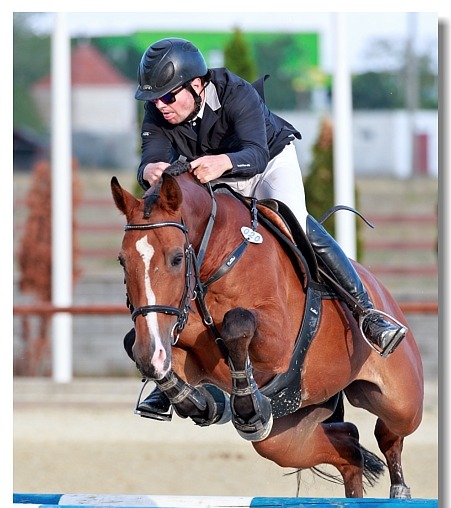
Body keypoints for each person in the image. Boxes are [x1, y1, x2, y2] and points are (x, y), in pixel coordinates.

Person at [129, 37, 407, 417]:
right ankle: (171, 372)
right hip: (217, 178)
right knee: (185, 246)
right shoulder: (158, 112)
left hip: (267, 164)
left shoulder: (235, 93)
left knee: (294, 221)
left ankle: (366, 313)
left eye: (168, 97)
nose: (161, 106)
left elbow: (255, 153)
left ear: (197, 84)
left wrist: (222, 162)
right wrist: (150, 170)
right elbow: (152, 158)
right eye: (154, 100)